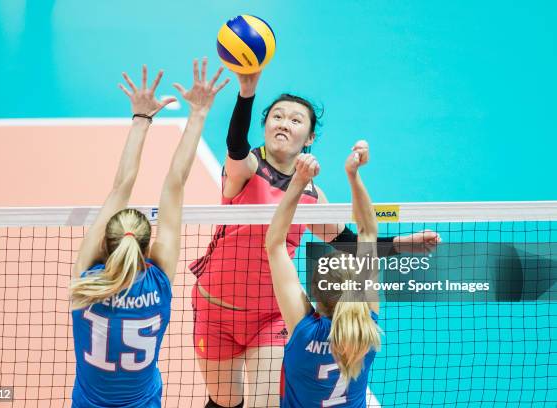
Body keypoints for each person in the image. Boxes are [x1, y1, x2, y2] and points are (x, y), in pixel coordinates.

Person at [189, 72, 440, 407]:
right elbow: (235, 145)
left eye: (295, 120)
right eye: (276, 116)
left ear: (308, 137)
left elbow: (351, 243)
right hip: (216, 310)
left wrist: (400, 244)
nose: (283, 123)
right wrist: (246, 92)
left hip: (272, 316)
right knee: (224, 403)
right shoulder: (246, 169)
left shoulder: (311, 194)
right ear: (265, 127)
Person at [69, 60, 228, 407]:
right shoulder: (157, 283)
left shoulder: (85, 283)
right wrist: (198, 113)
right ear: (145, 248)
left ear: (103, 244)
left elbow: (120, 187)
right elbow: (175, 184)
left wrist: (141, 119)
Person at [266, 144, 380, 408]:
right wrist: (353, 174)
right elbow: (368, 232)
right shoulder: (368, 330)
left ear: (313, 294)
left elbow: (274, 244)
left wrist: (299, 181)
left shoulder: (305, 331)